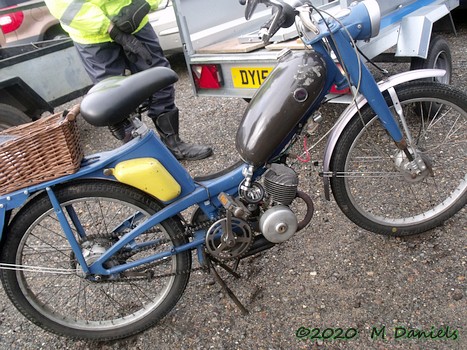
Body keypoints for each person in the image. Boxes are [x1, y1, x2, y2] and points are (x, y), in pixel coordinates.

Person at [44, 0, 213, 161]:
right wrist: (113, 30)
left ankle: (174, 144)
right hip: (93, 36)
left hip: (134, 22)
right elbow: (65, 6)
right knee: (114, 99)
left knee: (160, 80)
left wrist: (144, 4)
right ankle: (142, 154)